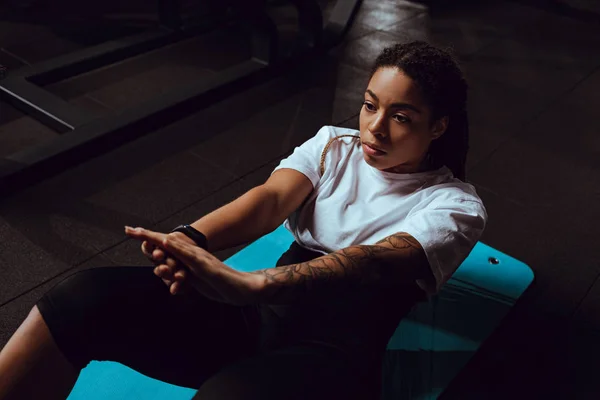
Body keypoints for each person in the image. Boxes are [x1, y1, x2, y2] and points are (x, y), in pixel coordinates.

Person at [0, 41, 487, 399]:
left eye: (401, 117)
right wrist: (190, 240)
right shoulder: (336, 145)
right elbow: (271, 198)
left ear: (438, 126)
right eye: (369, 105)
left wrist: (262, 283)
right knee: (79, 299)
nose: (374, 127)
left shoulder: (454, 207)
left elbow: (379, 260)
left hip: (331, 352)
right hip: (249, 316)